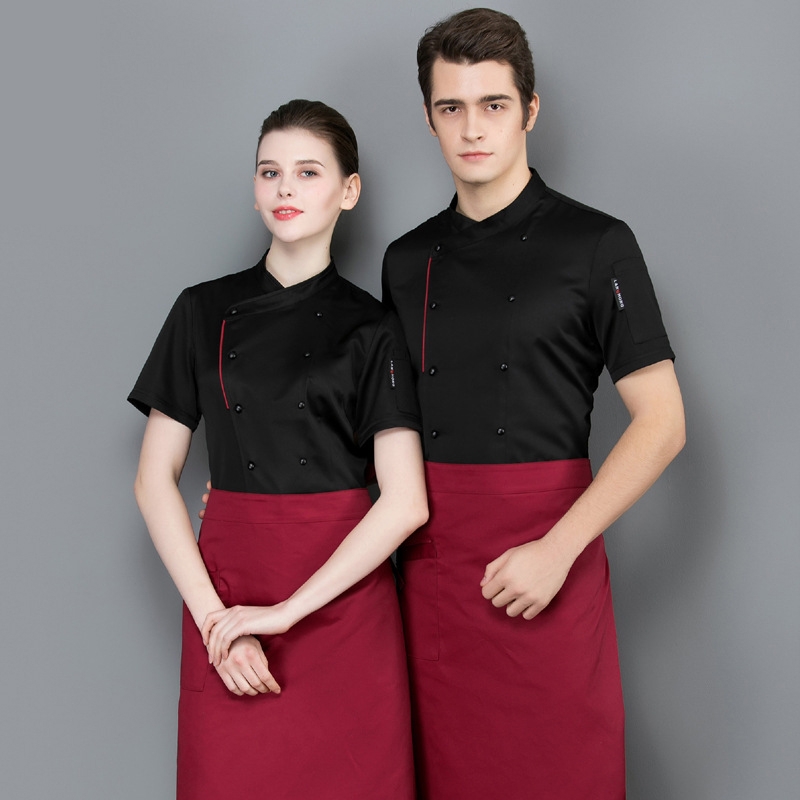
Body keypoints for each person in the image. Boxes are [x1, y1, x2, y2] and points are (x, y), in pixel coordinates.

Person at [381, 8, 686, 799]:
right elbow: (386, 430)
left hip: (553, 553)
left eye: (494, 104)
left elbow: (662, 423)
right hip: (435, 573)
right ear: (428, 118)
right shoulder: (406, 260)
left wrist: (558, 550)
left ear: (530, 110)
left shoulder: (598, 244)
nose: (472, 128)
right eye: (451, 107)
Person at [129, 99, 427, 799]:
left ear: (349, 191)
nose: (285, 188)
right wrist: (219, 623)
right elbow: (153, 479)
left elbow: (406, 502)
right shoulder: (201, 310)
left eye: (308, 171)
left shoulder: (374, 328)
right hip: (228, 595)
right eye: (270, 172)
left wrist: (288, 612)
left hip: (343, 603)